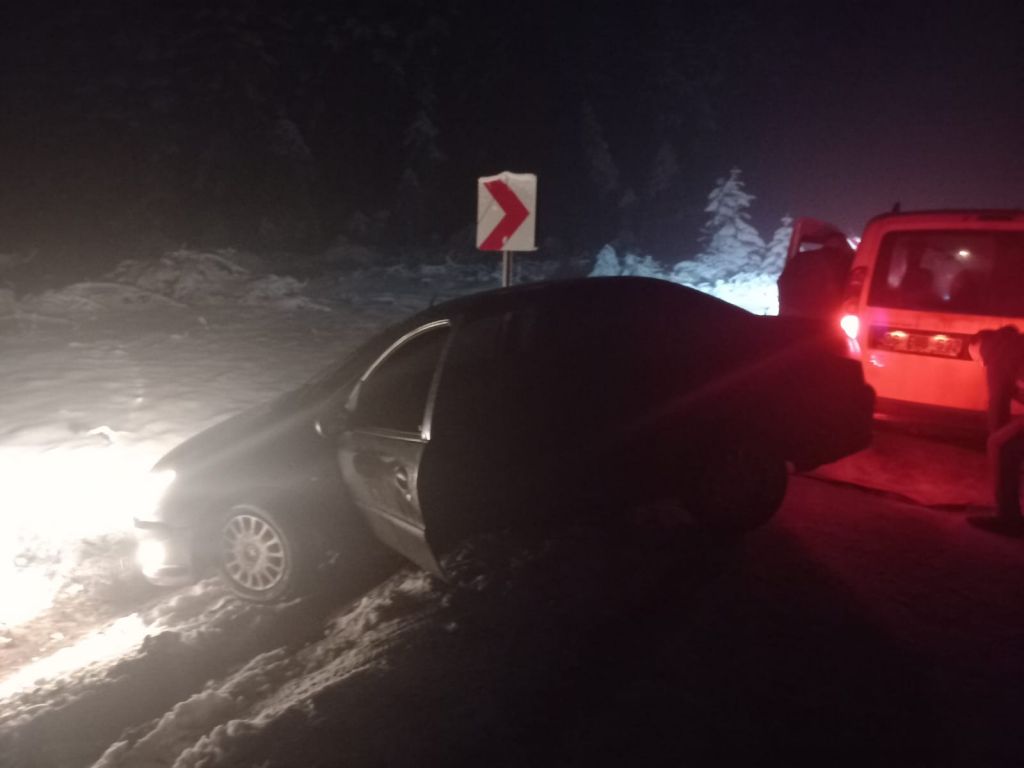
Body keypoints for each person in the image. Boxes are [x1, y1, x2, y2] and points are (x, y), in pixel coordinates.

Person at [968, 325, 1024, 535]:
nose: (981, 364)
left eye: (976, 359)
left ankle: (1007, 518)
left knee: (1000, 444)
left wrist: (995, 435)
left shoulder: (994, 350)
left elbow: (997, 402)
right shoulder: (1014, 344)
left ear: (978, 344)